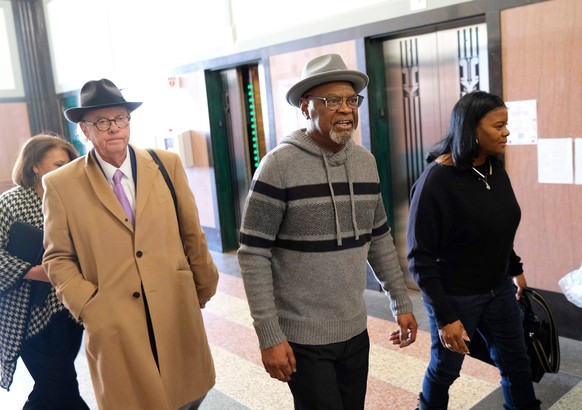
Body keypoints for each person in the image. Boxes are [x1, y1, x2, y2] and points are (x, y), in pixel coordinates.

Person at [238, 53, 418, 410]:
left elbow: (378, 237)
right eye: (332, 100)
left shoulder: (365, 162)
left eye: (352, 100)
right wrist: (269, 335)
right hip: (302, 337)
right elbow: (254, 254)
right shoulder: (278, 166)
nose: (346, 109)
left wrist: (400, 299)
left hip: (355, 328)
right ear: (306, 107)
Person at [42, 78, 219, 410]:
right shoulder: (61, 184)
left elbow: (191, 233)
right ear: (84, 130)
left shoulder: (166, 165)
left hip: (173, 306)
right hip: (114, 319)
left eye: (120, 118)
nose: (114, 128)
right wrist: (89, 306)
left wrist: (204, 284)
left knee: (187, 394)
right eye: (102, 122)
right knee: (134, 400)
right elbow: (57, 257)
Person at [407, 91, 541, 410]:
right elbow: (420, 259)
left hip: (499, 289)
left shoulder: (494, 168)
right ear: (471, 128)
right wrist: (445, 318)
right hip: (455, 296)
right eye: (498, 125)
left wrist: (515, 268)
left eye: (506, 124)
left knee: (517, 365)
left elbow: (498, 226)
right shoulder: (436, 180)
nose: (506, 132)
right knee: (445, 370)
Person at [0, 134, 88, 409]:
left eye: (69, 164)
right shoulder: (10, 203)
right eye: (57, 164)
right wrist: (31, 271)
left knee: (50, 387)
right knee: (62, 390)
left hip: (69, 309)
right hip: (26, 314)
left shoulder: (76, 201)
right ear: (35, 166)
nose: (65, 171)